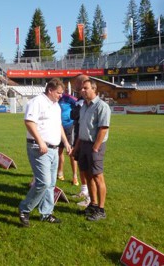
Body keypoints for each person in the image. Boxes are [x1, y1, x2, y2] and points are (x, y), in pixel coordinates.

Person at [18, 78, 72, 227]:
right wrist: (40, 141)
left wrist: (66, 142)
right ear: (50, 90)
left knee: (51, 184)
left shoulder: (55, 105)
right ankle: (24, 209)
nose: (61, 96)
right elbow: (29, 122)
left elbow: (58, 124)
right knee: (43, 182)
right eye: (58, 93)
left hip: (53, 149)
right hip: (39, 148)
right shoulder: (37, 102)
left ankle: (46, 213)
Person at [73, 79, 111, 221]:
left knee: (97, 176)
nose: (82, 90)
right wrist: (76, 147)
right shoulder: (84, 107)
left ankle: (101, 209)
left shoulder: (102, 106)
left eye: (85, 88)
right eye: (81, 88)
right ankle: (93, 204)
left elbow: (103, 128)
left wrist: (95, 147)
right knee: (87, 175)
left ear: (94, 89)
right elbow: (82, 130)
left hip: (95, 145)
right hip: (83, 145)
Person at [70, 74, 91, 206]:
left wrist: (76, 107)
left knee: (88, 169)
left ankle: (90, 198)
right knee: (82, 167)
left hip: (85, 139)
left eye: (77, 83)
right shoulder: (79, 99)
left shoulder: (86, 101)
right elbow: (73, 115)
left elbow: (74, 114)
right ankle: (84, 190)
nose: (75, 86)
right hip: (78, 136)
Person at [57, 88, 78, 185]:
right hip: (57, 127)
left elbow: (78, 105)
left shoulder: (69, 98)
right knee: (59, 151)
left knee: (71, 152)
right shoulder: (55, 98)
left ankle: (75, 176)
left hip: (69, 127)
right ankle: (60, 172)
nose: (60, 94)